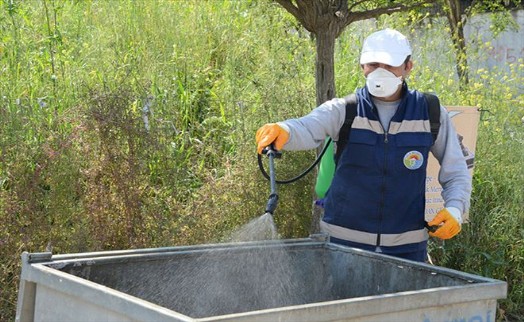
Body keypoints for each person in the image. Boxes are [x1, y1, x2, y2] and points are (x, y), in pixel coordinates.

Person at [255, 28, 471, 262]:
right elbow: (308, 126)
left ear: (408, 67)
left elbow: (456, 170)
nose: (380, 72)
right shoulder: (345, 110)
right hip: (342, 246)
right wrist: (284, 130)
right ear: (362, 67)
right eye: (373, 64)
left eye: (389, 66)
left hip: (407, 249)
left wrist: (455, 209)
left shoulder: (429, 113)